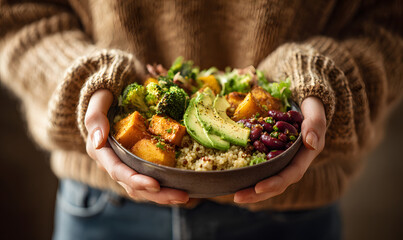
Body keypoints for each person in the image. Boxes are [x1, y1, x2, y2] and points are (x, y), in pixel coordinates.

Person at [0, 0, 401, 239]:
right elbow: (18, 15)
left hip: (293, 213)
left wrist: (327, 78)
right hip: (102, 209)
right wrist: (87, 79)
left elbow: (390, 22)